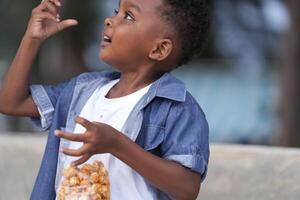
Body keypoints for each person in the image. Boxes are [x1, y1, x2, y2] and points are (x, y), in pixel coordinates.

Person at [0, 0, 210, 199]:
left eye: (128, 16)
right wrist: (32, 39)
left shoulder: (178, 109)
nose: (110, 20)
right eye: (116, 11)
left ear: (159, 49)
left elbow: (187, 188)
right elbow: (11, 103)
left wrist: (117, 144)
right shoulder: (81, 91)